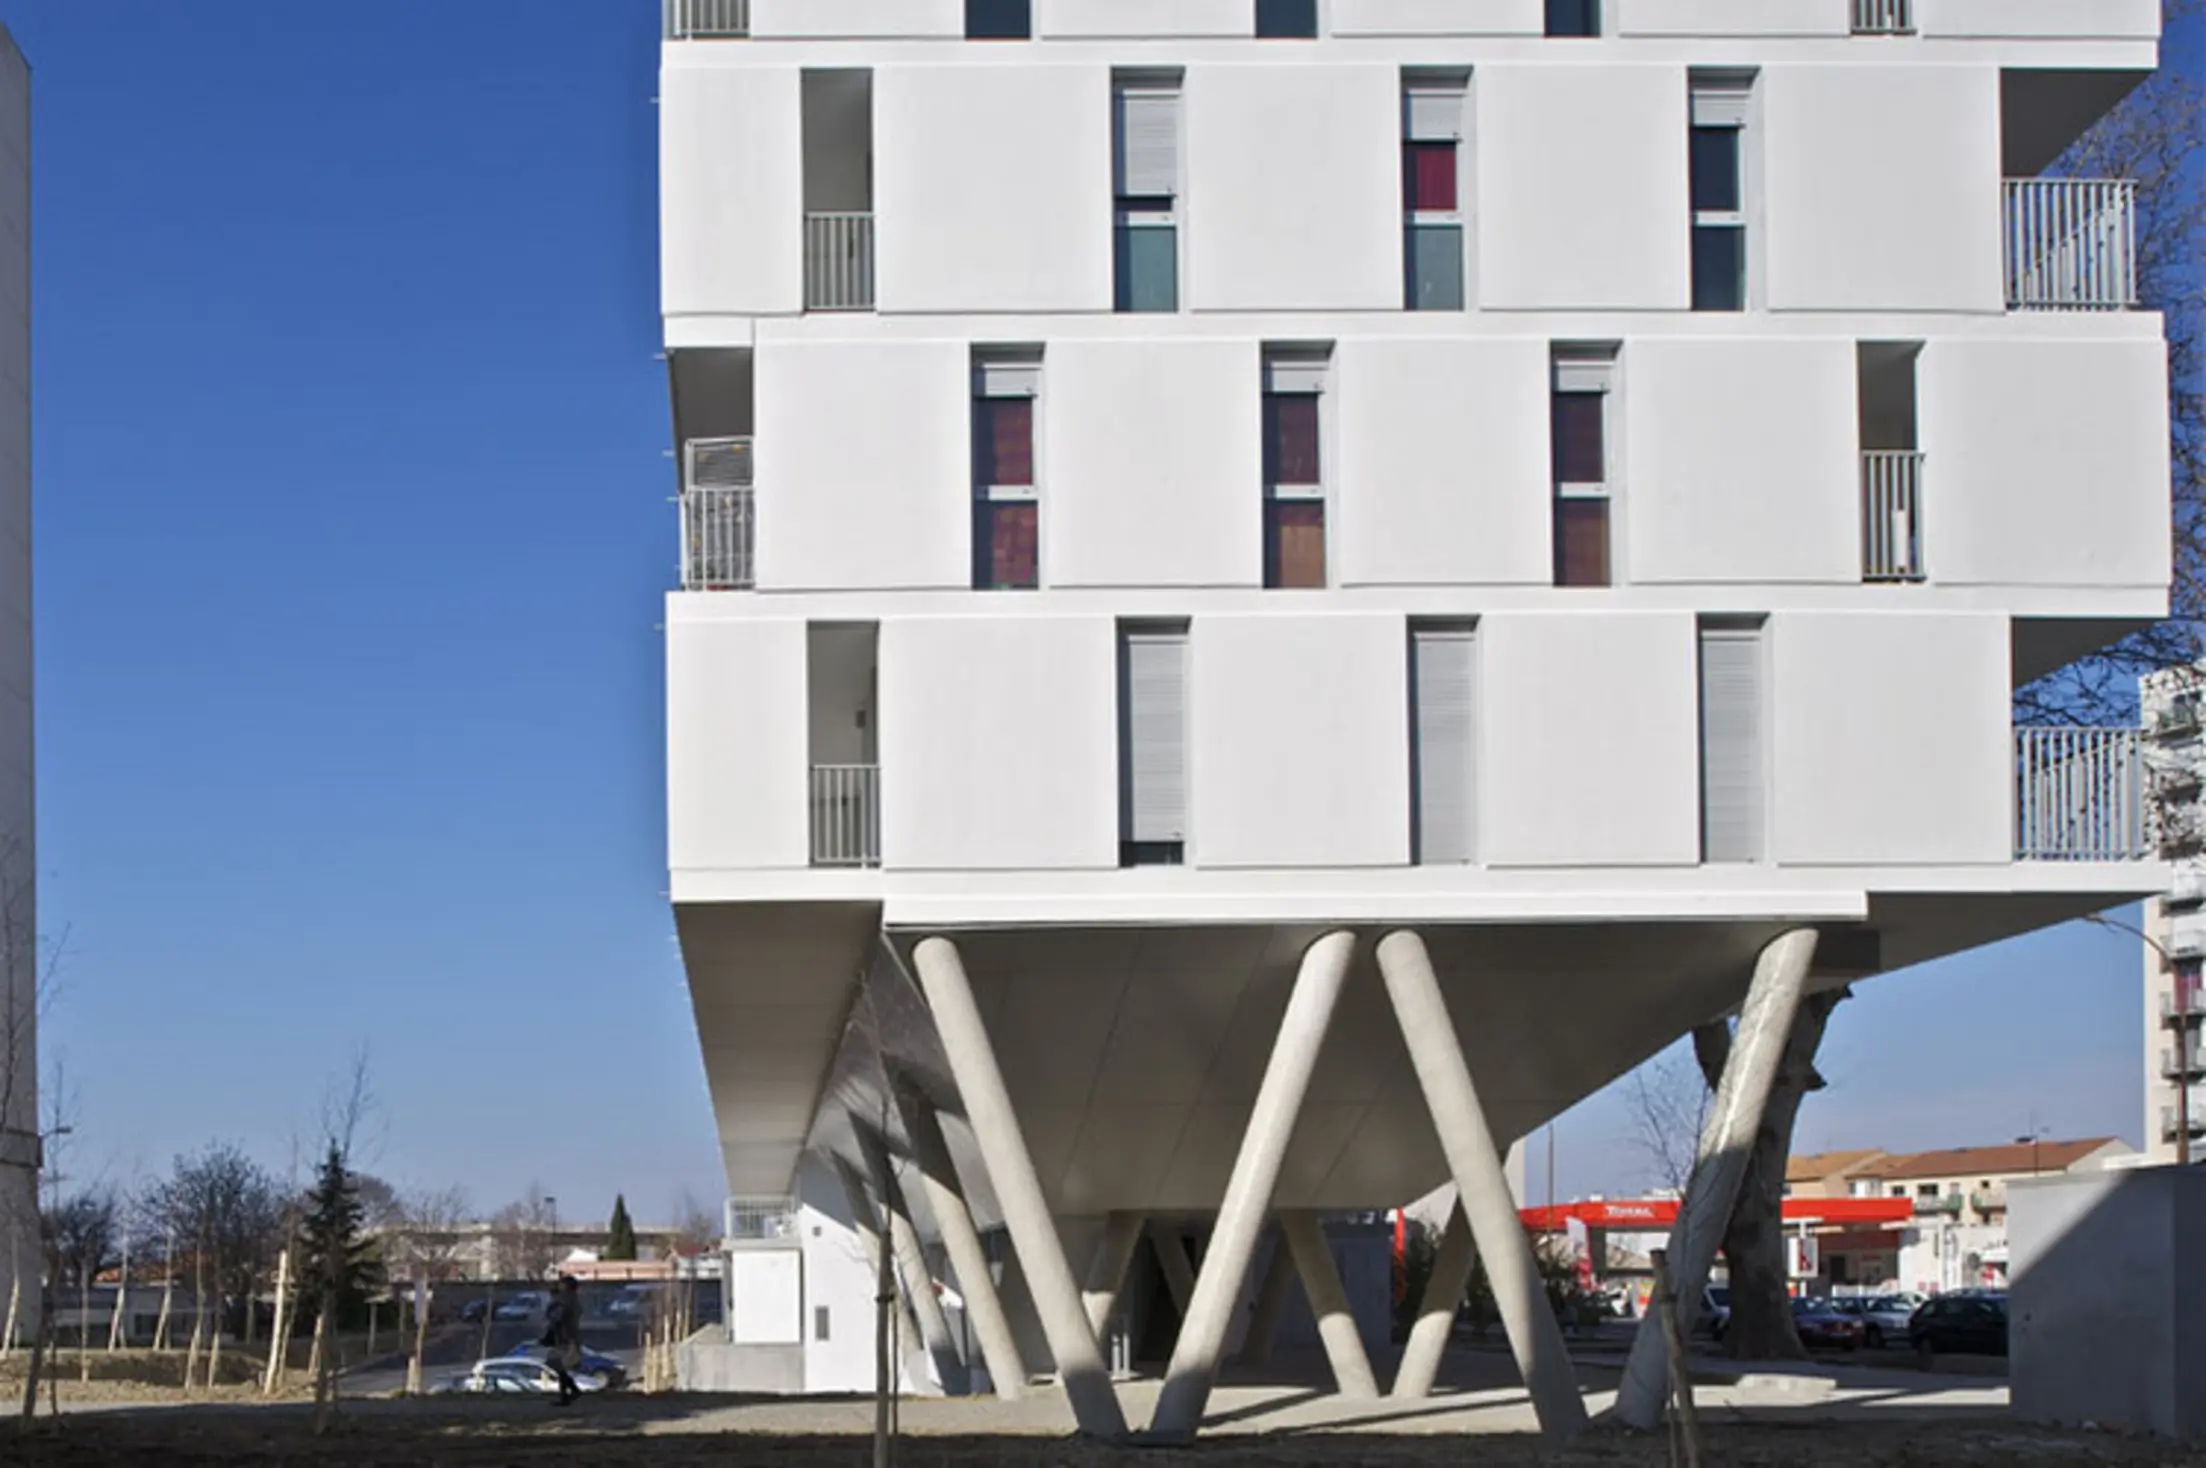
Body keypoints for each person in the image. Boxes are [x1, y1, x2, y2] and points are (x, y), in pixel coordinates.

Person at [540, 1275, 584, 1405]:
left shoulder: (566, 1301)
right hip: (569, 1337)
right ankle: (566, 1394)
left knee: (556, 1363)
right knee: (559, 1366)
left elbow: (557, 1317)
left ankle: (570, 1393)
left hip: (565, 1338)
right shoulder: (574, 1300)